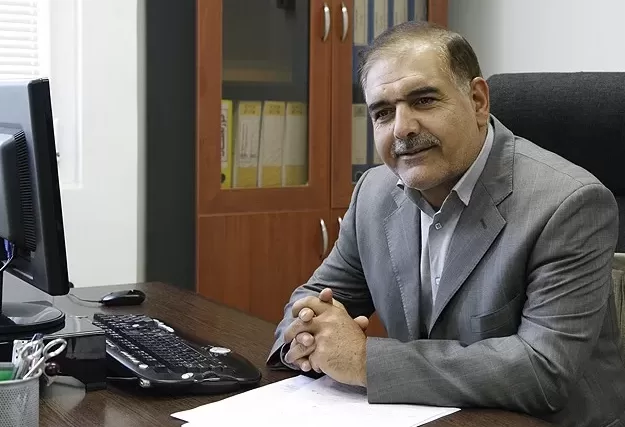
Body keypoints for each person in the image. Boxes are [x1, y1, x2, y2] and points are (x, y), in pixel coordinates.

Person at [267, 21, 625, 427]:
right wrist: (307, 336)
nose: (402, 128)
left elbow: (543, 371)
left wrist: (365, 361)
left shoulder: (569, 203)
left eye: (423, 100)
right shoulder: (374, 191)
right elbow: (316, 297)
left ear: (477, 101)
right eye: (383, 112)